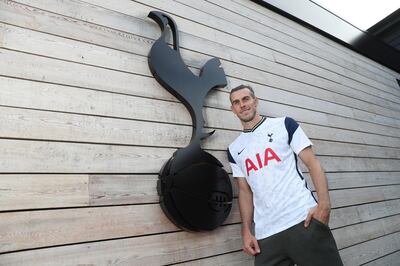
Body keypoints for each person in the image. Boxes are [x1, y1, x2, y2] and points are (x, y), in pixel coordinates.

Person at [227, 85, 343, 266]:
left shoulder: (284, 124)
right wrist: (246, 231)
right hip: (266, 236)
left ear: (255, 101)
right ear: (233, 109)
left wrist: (324, 205)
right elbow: (244, 192)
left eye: (246, 99)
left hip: (302, 221)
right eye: (236, 102)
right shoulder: (234, 149)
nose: (242, 105)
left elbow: (313, 163)